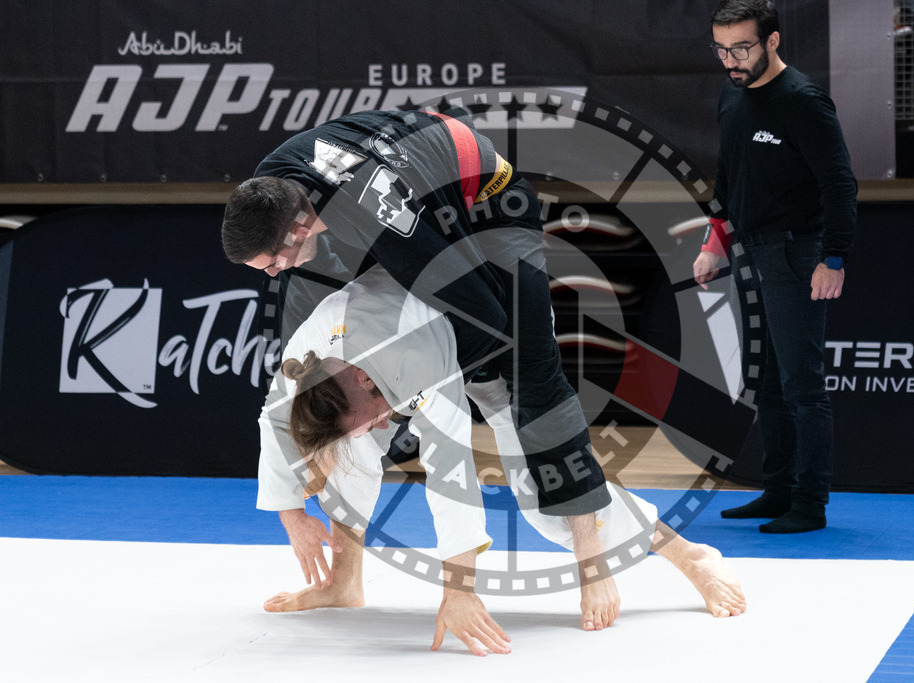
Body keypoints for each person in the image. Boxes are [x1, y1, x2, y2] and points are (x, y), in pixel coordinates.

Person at [221, 107, 623, 627]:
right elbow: (283, 400)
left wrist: (424, 388)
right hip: (413, 185)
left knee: (530, 374)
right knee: (330, 402)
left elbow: (484, 315)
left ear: (298, 227)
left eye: (273, 261)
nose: (272, 274)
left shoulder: (375, 214)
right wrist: (291, 509)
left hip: (487, 204)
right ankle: (344, 581)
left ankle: (592, 560)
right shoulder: (273, 187)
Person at [257, 265, 746, 655]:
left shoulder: (415, 356)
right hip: (429, 319)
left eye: (373, 416)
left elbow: (451, 473)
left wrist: (459, 591)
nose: (379, 427)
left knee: (544, 496)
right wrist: (293, 516)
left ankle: (690, 555)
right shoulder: (309, 357)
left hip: (500, 334)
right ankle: (344, 583)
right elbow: (275, 420)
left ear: (365, 379)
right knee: (347, 443)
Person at [694, 0, 858, 534]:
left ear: (772, 41)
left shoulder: (803, 101)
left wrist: (833, 257)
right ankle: (779, 489)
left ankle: (809, 503)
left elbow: (839, 184)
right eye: (722, 50)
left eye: (742, 48)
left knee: (802, 386)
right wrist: (713, 243)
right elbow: (728, 178)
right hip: (748, 251)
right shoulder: (732, 94)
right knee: (765, 384)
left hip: (797, 253)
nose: (731, 60)